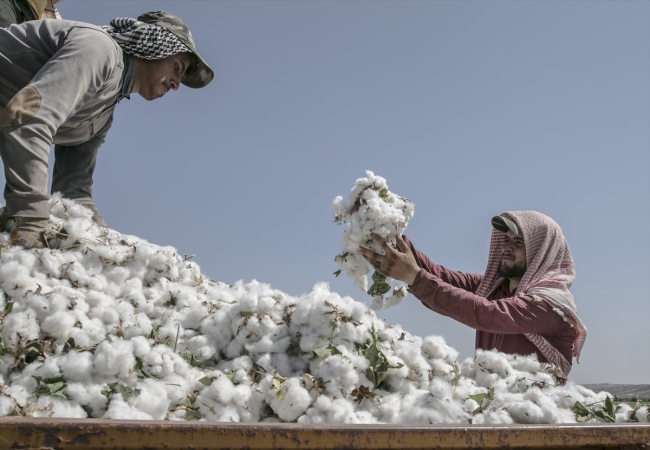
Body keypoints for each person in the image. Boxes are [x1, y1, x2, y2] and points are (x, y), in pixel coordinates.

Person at [0, 11, 214, 248]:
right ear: (154, 44)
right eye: (177, 67)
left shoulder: (102, 114)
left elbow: (73, 190)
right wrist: (30, 219)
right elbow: (29, 118)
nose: (175, 84)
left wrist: (108, 241)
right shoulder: (98, 49)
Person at [359, 211, 587, 381]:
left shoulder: (550, 305)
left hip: (533, 424)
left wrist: (415, 278)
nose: (507, 248)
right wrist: (389, 233)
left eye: (518, 243)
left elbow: (486, 313)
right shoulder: (493, 289)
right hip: (494, 416)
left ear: (541, 253)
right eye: (505, 240)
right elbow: (439, 275)